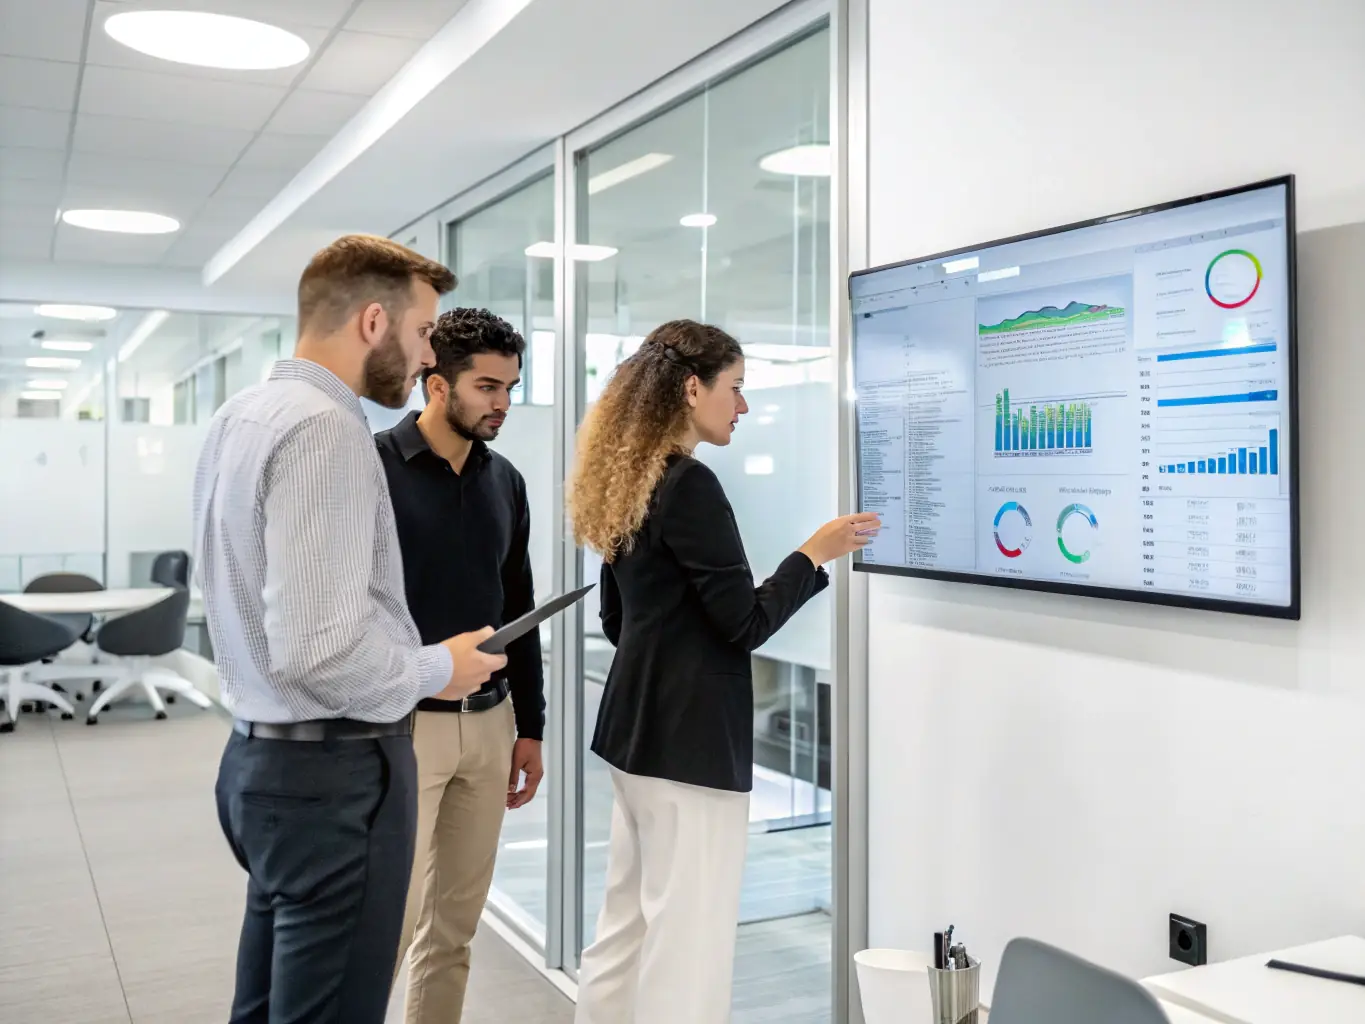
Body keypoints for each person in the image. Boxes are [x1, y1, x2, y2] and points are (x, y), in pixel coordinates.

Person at [193, 235, 509, 1024]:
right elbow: (318, 649)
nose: (426, 352)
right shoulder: (324, 430)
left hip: (259, 762)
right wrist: (439, 668)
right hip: (332, 774)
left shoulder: (243, 414)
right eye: (422, 332)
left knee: (269, 1008)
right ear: (375, 321)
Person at [567, 319, 880, 1024]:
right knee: (689, 943)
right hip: (690, 748)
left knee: (625, 930)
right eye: (734, 389)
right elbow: (743, 624)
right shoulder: (689, 484)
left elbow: (617, 623)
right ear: (690, 388)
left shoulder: (631, 481)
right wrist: (813, 554)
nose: (742, 407)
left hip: (632, 736)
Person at [375, 308, 545, 1022]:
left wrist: (529, 728)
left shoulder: (504, 480)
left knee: (455, 927)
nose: (501, 402)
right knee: (386, 925)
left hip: (490, 725)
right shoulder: (368, 470)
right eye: (486, 385)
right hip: (401, 725)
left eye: (509, 386)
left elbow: (520, 605)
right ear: (434, 384)